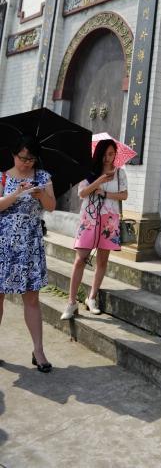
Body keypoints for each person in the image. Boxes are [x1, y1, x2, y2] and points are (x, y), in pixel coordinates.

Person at [0, 135, 56, 372]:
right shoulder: (3, 176)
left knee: (32, 298)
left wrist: (41, 195)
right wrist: (16, 193)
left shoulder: (43, 177)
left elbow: (51, 206)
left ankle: (38, 351)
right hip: (3, 244)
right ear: (14, 155)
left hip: (30, 245)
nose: (26, 163)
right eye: (22, 158)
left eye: (31, 159)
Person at [60, 139, 128, 320]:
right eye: (104, 154)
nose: (107, 158)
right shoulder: (89, 171)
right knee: (80, 259)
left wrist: (105, 193)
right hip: (89, 219)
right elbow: (81, 193)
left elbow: (124, 195)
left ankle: (92, 298)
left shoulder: (120, 173)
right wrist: (99, 180)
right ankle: (71, 302)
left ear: (115, 154)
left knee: (102, 261)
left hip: (109, 220)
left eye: (111, 154)